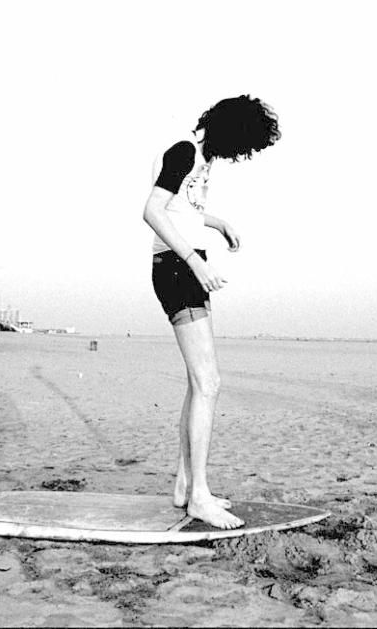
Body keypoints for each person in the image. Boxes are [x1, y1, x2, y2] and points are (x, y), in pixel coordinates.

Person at [143, 95, 281, 529]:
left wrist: (217, 223)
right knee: (209, 383)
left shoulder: (200, 159)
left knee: (197, 382)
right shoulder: (184, 151)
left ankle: (185, 485)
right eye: (240, 146)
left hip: (184, 267)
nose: (237, 156)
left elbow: (181, 210)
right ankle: (199, 497)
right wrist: (195, 261)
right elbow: (152, 211)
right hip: (177, 269)